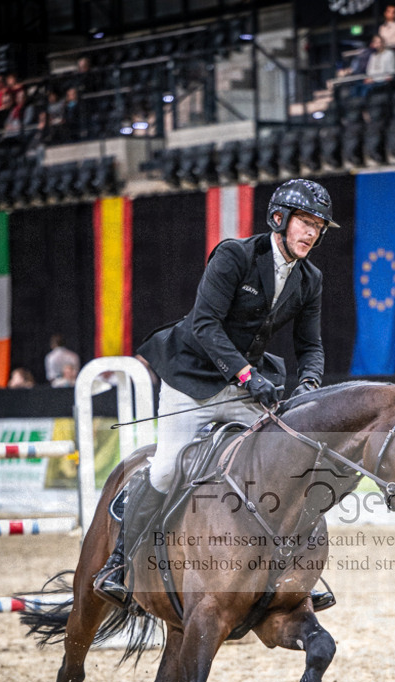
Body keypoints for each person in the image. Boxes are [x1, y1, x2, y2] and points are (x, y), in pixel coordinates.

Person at [94, 178, 339, 611]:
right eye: (305, 222)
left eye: (319, 226)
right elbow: (206, 325)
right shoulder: (235, 255)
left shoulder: (310, 279)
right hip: (193, 376)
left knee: (291, 462)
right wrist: (247, 376)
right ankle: (119, 563)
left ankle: (296, 572)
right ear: (279, 219)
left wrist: (309, 386)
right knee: (168, 467)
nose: (312, 233)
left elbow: (311, 346)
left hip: (247, 383)